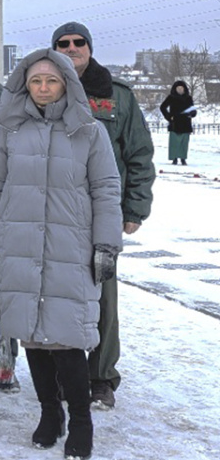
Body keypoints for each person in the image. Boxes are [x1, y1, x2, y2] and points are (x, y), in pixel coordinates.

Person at [0, 49, 122, 460]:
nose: (42, 89)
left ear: (65, 84)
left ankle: (80, 421)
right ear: (25, 84)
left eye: (51, 81)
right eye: (35, 81)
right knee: (33, 337)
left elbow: (106, 189)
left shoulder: (89, 131)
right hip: (19, 242)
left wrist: (107, 244)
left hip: (68, 246)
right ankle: (49, 414)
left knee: (67, 337)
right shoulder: (9, 129)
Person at [52, 21, 154, 410]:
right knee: (61, 295)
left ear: (90, 48)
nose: (72, 48)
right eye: (64, 43)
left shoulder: (118, 97)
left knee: (103, 297)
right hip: (58, 212)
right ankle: (66, 373)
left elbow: (139, 154)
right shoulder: (44, 90)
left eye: (79, 43)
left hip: (101, 215)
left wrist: (135, 208)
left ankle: (101, 377)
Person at [160, 80, 196, 165]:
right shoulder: (171, 97)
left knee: (184, 142)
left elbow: (193, 109)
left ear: (184, 89)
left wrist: (192, 114)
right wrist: (168, 117)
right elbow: (162, 107)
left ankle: (183, 158)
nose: (180, 89)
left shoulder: (188, 98)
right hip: (175, 122)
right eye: (178, 88)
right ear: (175, 89)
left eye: (181, 88)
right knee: (174, 142)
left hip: (186, 122)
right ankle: (174, 158)